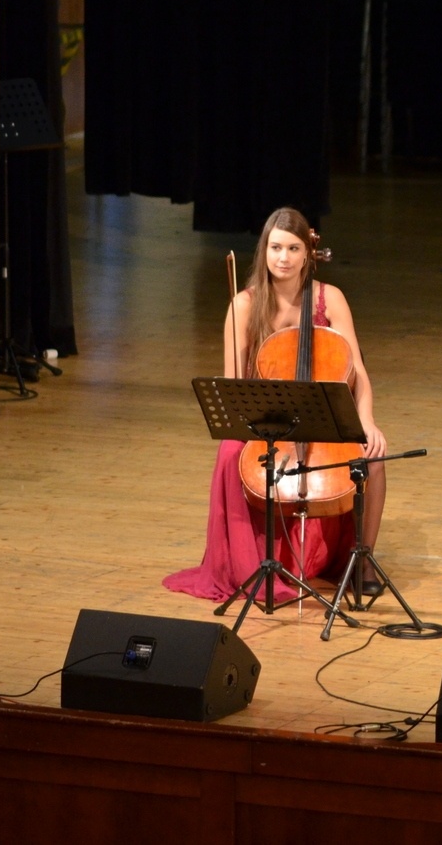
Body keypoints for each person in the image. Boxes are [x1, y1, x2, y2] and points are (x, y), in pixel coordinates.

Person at [163, 207, 389, 603]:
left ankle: (363, 560)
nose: (283, 257)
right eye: (275, 247)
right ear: (263, 251)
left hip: (322, 415)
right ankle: (251, 564)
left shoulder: (330, 300)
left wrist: (367, 420)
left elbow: (360, 374)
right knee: (231, 450)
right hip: (266, 420)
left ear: (308, 253)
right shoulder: (245, 305)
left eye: (293, 248)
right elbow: (234, 388)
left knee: (372, 457)